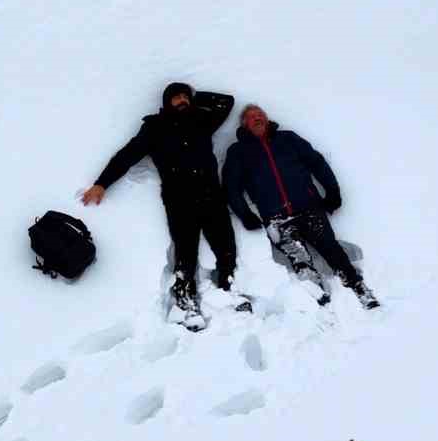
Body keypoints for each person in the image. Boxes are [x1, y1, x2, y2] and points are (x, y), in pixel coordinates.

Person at [82, 83, 239, 312]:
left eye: (185, 96)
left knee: (224, 243)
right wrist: (102, 183)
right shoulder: (155, 128)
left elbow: (226, 101)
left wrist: (195, 99)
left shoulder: (202, 120)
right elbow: (127, 156)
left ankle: (229, 289)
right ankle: (185, 302)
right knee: (186, 250)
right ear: (166, 102)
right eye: (177, 97)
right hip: (179, 197)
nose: (182, 100)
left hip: (210, 192)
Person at [222, 104, 378, 308]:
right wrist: (245, 215)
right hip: (276, 217)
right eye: (252, 116)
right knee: (300, 260)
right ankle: (320, 301)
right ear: (244, 124)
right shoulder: (238, 151)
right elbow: (231, 186)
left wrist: (332, 192)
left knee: (333, 250)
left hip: (309, 208)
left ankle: (359, 288)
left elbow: (317, 163)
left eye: (261, 114)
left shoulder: (288, 139)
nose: (258, 117)